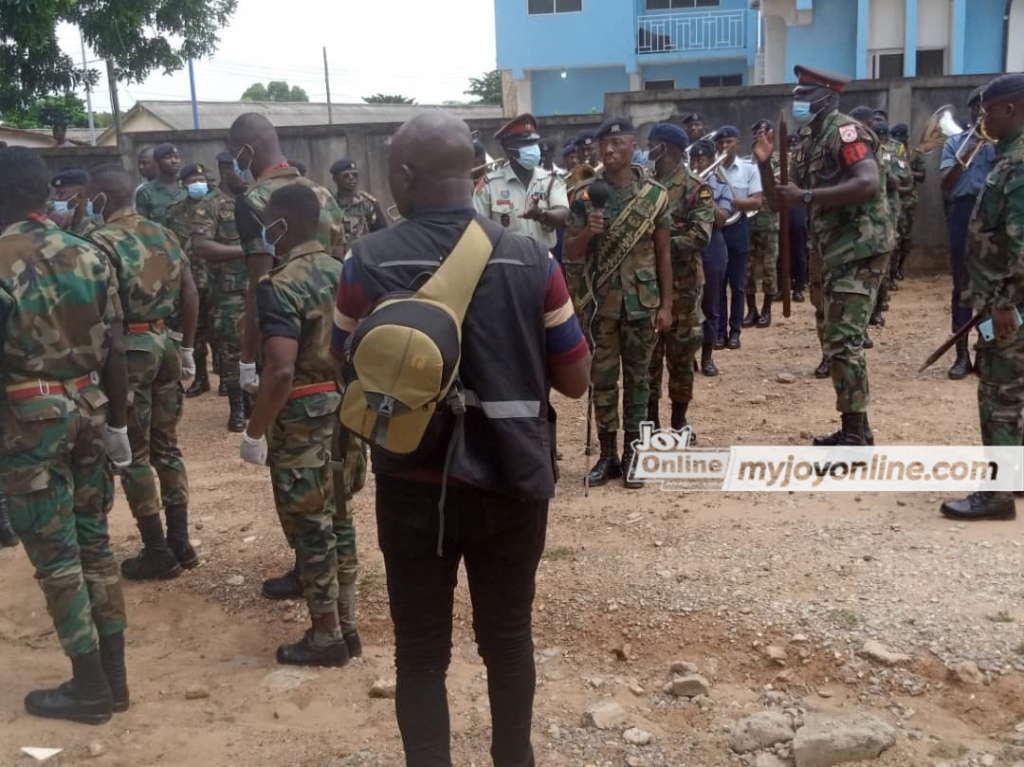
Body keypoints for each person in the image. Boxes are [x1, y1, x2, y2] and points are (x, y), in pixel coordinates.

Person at [331, 109, 590, 767]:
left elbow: (344, 362)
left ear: (408, 175)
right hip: (512, 479)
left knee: (420, 650)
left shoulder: (367, 259)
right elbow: (575, 376)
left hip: (411, 481)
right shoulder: (531, 255)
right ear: (475, 175)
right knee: (507, 638)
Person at [0, 146, 130, 723]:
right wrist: (121, 424)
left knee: (57, 561)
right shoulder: (91, 253)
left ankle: (89, 686)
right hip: (92, 411)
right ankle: (116, 681)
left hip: (30, 423)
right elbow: (117, 348)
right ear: (44, 192)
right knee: (96, 545)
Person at [226, 112, 353, 602]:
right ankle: (338, 591)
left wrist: (245, 360)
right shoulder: (319, 192)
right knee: (336, 484)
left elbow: (261, 286)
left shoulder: (257, 203)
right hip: (332, 340)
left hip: (288, 345)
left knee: (296, 476)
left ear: (244, 151)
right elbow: (337, 265)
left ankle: (310, 572)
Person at [239, 184, 361, 665]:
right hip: (347, 413)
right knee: (340, 518)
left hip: (302, 421)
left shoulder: (278, 284)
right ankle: (347, 625)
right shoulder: (347, 272)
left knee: (312, 529)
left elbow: (281, 369)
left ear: (282, 226)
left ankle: (326, 636)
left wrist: (253, 431)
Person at [754, 65, 893, 447]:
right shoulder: (811, 140)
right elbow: (777, 198)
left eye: (805, 96)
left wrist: (809, 197)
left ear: (827, 99)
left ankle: (854, 435)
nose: (797, 103)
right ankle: (857, 428)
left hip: (860, 247)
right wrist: (765, 165)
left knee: (843, 338)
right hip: (833, 250)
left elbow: (868, 181)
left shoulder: (846, 132)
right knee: (833, 337)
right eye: (796, 95)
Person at [88, 164, 200, 579]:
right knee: (167, 447)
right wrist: (187, 345)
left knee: (133, 452)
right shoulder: (161, 234)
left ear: (100, 198)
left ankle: (155, 548)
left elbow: (103, 314)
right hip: (164, 343)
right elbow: (188, 291)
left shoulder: (99, 244)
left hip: (128, 353)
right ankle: (180, 541)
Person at [566, 116, 673, 489]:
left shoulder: (654, 195)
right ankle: (608, 454)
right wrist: (586, 233)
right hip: (602, 304)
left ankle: (633, 454)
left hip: (643, 303)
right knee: (603, 380)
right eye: (603, 147)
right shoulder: (584, 195)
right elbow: (570, 253)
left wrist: (667, 305)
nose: (609, 151)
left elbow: (663, 254)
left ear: (632, 146)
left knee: (640, 380)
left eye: (617, 145)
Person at [941, 73, 1024, 522]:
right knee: (1014, 392)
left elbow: (1022, 243)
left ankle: (997, 495)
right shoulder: (1009, 157)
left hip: (1009, 305)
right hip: (1007, 299)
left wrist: (1005, 302)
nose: (983, 117)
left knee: (999, 396)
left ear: (1009, 109)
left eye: (989, 110)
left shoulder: (1018, 164)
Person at [644, 123, 714, 437]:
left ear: (666, 147)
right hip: (647, 286)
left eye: (652, 144)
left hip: (683, 286)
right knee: (647, 357)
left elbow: (700, 235)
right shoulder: (643, 186)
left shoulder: (695, 187)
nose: (647, 150)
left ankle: (678, 419)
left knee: (681, 355)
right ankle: (650, 422)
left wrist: (656, 246)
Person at [941, 87, 997, 379]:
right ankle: (961, 355)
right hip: (963, 213)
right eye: (979, 109)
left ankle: (985, 348)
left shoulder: (1003, 144)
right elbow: (946, 184)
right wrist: (969, 148)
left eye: (988, 109)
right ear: (973, 112)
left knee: (993, 284)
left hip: (994, 213)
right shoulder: (954, 143)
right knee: (962, 285)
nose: (982, 114)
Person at [192, 151, 250, 432]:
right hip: (229, 291)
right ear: (226, 170)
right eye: (240, 170)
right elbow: (202, 246)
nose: (246, 175)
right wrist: (247, 251)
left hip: (264, 285)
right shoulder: (210, 204)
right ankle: (236, 406)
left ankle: (254, 400)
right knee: (230, 350)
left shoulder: (257, 198)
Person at [474, 113, 569, 254]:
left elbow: (563, 216)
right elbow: (478, 232)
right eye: (524, 143)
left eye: (533, 142)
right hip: (507, 265)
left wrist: (540, 214)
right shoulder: (488, 185)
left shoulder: (551, 180)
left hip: (545, 263)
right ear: (507, 149)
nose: (532, 148)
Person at [166, 164, 215, 399]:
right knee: (194, 331)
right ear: (184, 184)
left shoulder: (216, 205)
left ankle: (226, 379)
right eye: (194, 179)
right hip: (189, 279)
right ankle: (201, 377)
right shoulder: (174, 211)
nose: (199, 183)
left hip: (217, 277)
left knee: (220, 332)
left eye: (202, 178)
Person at [716, 125, 763, 350]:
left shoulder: (748, 169)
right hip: (716, 229)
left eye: (729, 142)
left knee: (737, 285)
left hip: (738, 227)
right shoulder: (711, 169)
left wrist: (728, 201)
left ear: (737, 143)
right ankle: (719, 333)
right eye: (721, 143)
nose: (725, 147)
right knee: (717, 284)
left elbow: (756, 201)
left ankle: (735, 332)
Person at [690, 138, 733, 377]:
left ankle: (707, 356)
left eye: (702, 159)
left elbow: (721, 219)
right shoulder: (684, 183)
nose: (697, 163)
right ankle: (687, 356)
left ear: (710, 160)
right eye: (693, 159)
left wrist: (706, 195)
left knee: (711, 303)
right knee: (686, 304)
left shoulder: (719, 183)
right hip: (688, 244)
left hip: (712, 244)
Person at [745, 119, 780, 329]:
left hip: (769, 222)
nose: (759, 135)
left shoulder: (778, 161)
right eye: (756, 132)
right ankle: (751, 310)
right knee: (746, 270)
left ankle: (767, 310)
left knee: (769, 269)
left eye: (763, 131)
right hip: (748, 223)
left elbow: (775, 189)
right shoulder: (746, 163)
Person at [891, 123, 925, 281]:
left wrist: (906, 170)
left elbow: (923, 176)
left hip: (908, 200)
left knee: (905, 236)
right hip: (893, 198)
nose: (899, 140)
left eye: (901, 137)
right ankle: (889, 272)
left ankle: (899, 268)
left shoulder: (915, 153)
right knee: (892, 236)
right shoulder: (890, 152)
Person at [330, 158, 388, 243]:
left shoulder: (368, 203)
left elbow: (382, 232)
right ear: (335, 179)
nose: (352, 178)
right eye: (346, 176)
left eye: (355, 175)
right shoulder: (330, 204)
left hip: (364, 253)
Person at [135, 143, 185, 227]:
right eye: (168, 158)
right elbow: (142, 226)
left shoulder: (187, 187)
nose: (174, 161)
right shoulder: (146, 192)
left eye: (176, 157)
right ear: (157, 162)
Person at [787, 133, 809, 303]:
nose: (792, 149)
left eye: (795, 146)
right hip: (783, 207)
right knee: (783, 251)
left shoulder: (805, 160)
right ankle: (783, 286)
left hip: (800, 205)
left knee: (800, 248)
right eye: (790, 146)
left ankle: (799, 286)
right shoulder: (777, 160)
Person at [49, 168, 94, 236]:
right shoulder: (60, 224)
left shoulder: (93, 230)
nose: (56, 198)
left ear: (83, 194)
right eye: (56, 193)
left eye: (61, 193)